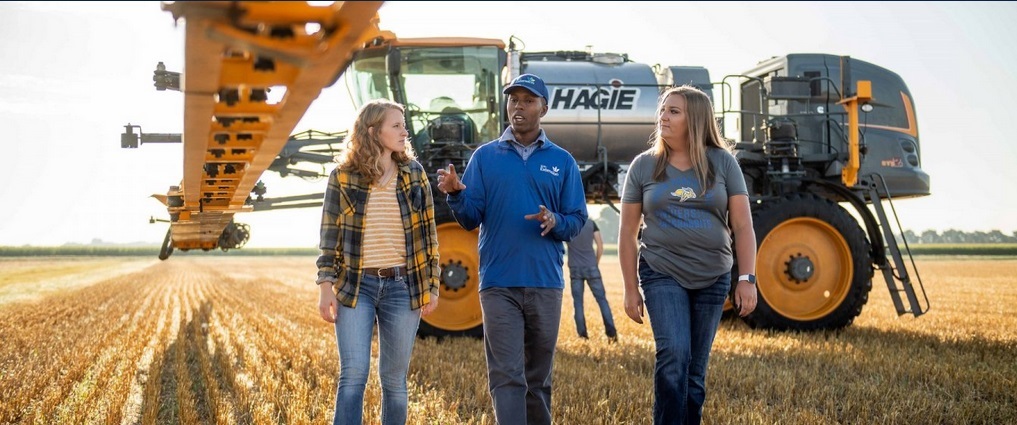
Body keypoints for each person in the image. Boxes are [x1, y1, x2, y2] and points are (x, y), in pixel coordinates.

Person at [435, 73, 587, 425]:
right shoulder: (485, 157)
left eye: (528, 100)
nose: (519, 106)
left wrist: (555, 220)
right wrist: (456, 194)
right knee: (506, 376)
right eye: (514, 99)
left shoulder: (562, 161)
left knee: (538, 379)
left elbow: (577, 219)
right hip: (498, 283)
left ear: (543, 109)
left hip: (545, 283)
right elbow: (470, 218)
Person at [618, 85, 758, 424]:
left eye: (673, 111)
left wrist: (746, 278)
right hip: (661, 271)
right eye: (663, 109)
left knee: (695, 371)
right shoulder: (643, 166)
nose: (663, 116)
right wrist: (630, 288)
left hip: (713, 276)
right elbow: (627, 233)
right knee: (674, 355)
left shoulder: (723, 163)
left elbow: (742, 226)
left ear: (694, 119)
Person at [316, 99, 441, 425]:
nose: (404, 132)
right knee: (353, 375)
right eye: (396, 125)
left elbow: (429, 235)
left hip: (403, 286)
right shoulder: (343, 177)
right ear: (373, 131)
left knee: (395, 382)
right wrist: (325, 287)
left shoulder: (414, 174)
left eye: (403, 125)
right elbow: (329, 236)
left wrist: (432, 286)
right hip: (356, 285)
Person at [566, 216, 618, 342]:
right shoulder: (591, 224)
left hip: (574, 267)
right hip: (591, 265)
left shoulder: (569, 224)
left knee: (578, 303)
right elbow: (600, 245)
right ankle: (611, 334)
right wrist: (596, 262)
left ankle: (582, 336)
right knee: (602, 301)